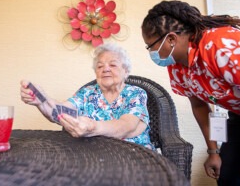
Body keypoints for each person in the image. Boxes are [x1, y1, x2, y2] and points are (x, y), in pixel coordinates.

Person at [141, 0, 240, 185]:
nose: (151, 52)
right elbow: (199, 106)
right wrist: (213, 152)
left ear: (171, 39)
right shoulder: (177, 66)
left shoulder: (220, 46)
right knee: (227, 175)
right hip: (239, 114)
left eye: (150, 46)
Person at [20, 43, 155, 150]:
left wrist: (93, 127)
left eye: (112, 64)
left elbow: (126, 126)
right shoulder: (87, 93)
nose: (105, 69)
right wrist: (43, 101)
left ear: (126, 71)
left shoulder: (136, 93)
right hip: (92, 157)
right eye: (100, 66)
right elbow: (61, 112)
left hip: (135, 156)